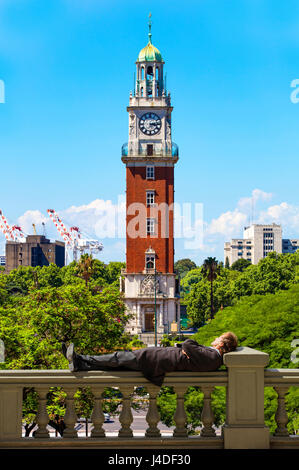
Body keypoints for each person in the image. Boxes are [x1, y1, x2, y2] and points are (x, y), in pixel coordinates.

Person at [62, 332, 238, 387]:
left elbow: (188, 344)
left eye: (219, 337)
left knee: (116, 358)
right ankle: (80, 365)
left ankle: (79, 359)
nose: (215, 338)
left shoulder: (212, 356)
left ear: (222, 343)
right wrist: (187, 350)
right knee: (117, 366)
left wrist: (190, 348)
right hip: (158, 360)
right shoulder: (213, 359)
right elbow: (187, 350)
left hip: (155, 359)